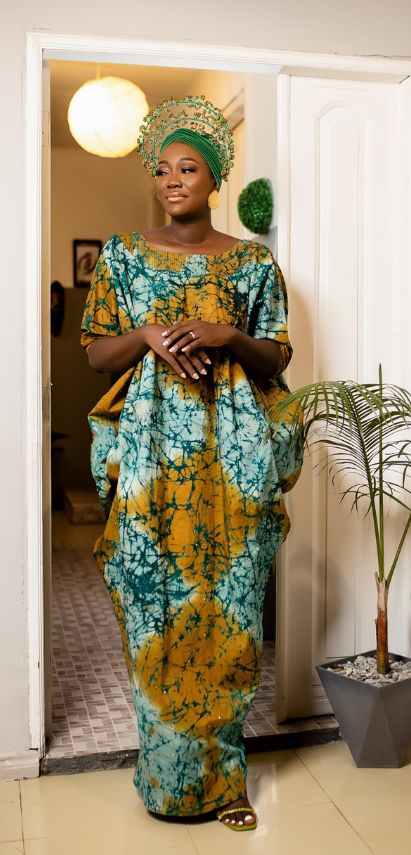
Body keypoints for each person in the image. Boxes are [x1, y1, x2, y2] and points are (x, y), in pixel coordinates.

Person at [80, 94, 303, 831]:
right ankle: (167, 776)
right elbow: (96, 353)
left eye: (188, 168)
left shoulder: (252, 262)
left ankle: (226, 781)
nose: (172, 180)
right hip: (150, 462)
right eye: (162, 169)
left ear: (214, 178)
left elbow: (276, 356)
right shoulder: (122, 255)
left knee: (231, 613)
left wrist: (225, 334)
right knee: (155, 609)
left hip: (231, 461)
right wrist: (148, 333)